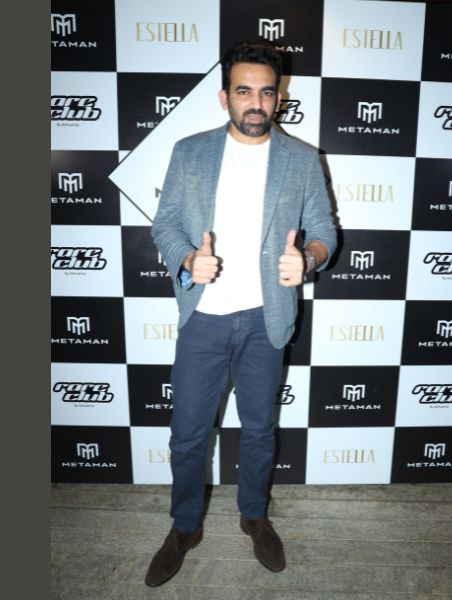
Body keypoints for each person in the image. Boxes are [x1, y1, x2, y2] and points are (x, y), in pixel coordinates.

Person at [146, 39, 337, 587]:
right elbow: (165, 225)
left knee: (258, 430)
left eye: (267, 93)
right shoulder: (189, 152)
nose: (256, 103)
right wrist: (188, 259)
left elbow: (325, 232)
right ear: (225, 96)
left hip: (265, 320)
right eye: (244, 91)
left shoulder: (302, 159)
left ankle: (254, 516)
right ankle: (185, 526)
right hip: (203, 318)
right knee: (187, 434)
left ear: (279, 98)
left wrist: (309, 259)